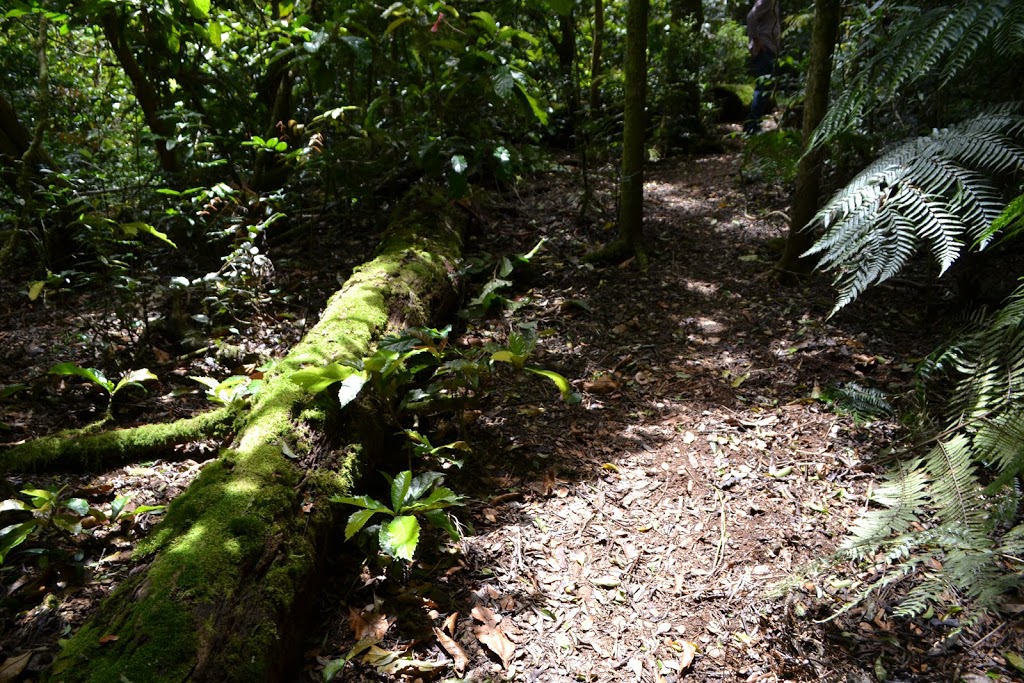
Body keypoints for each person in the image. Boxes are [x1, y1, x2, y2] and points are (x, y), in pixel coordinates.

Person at [744, 0, 781, 135]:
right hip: (764, 49)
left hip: (769, 49)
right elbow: (751, 16)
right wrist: (756, 41)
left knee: (765, 87)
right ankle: (752, 126)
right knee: (762, 87)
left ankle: (752, 124)